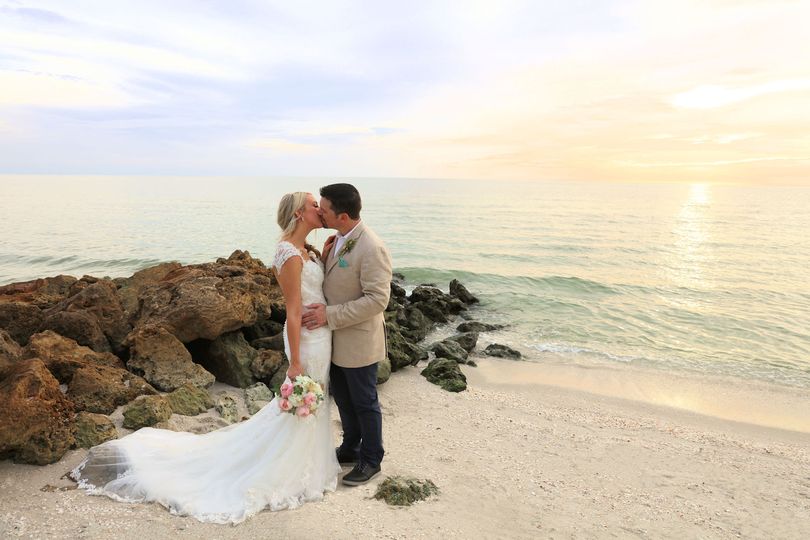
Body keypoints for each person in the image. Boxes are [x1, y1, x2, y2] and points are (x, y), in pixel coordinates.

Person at [70, 192, 341, 524]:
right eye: (314, 205)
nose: (320, 209)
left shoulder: (308, 251)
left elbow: (318, 290)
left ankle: (305, 461)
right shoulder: (289, 254)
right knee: (302, 402)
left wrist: (325, 257)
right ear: (300, 213)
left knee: (313, 400)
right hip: (308, 340)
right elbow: (294, 310)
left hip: (322, 336)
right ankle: (286, 467)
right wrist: (294, 361)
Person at [302, 183, 392, 486]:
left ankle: (372, 459)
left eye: (324, 210)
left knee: (364, 402)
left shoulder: (371, 247)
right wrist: (326, 259)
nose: (319, 213)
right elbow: (338, 280)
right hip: (335, 340)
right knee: (342, 397)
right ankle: (351, 447)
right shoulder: (339, 238)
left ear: (341, 216)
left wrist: (329, 316)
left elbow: (378, 299)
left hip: (359, 340)